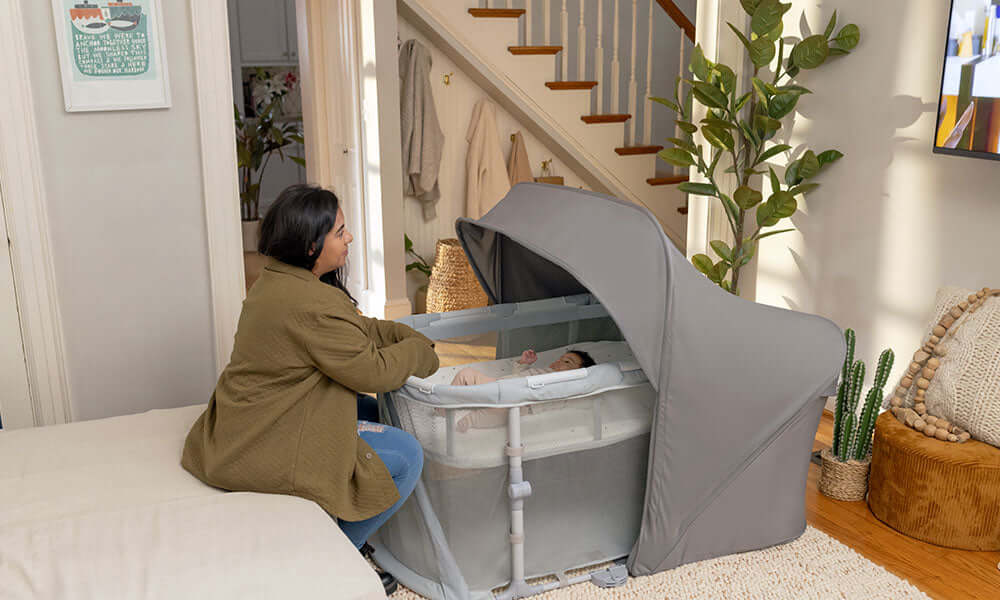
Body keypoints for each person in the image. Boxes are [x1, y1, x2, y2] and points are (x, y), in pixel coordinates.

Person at [181, 184, 438, 595]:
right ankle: (332, 558)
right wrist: (422, 353)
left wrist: (403, 334)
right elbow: (372, 371)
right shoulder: (310, 304)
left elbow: (358, 329)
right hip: (260, 443)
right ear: (311, 244)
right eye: (340, 232)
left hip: (243, 427)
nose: (349, 238)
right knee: (406, 455)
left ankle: (334, 537)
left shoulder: (279, 281)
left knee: (369, 414)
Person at [449, 349, 595, 432]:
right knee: (467, 374)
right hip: (499, 384)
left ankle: (467, 421)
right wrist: (523, 363)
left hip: (517, 403)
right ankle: (443, 408)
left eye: (567, 362)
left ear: (578, 374)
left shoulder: (565, 388)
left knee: (497, 415)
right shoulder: (544, 370)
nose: (558, 362)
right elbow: (518, 375)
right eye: (560, 358)